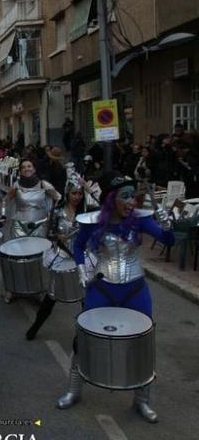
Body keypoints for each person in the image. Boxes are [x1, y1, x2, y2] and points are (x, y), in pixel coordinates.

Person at [56, 174, 176, 423]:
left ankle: (142, 401)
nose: (131, 201)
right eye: (125, 196)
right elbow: (78, 246)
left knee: (143, 342)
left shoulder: (139, 221)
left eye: (133, 195)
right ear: (111, 199)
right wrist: (80, 271)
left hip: (135, 290)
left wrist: (165, 222)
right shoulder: (92, 222)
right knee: (83, 339)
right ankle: (74, 390)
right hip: (102, 289)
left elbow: (168, 241)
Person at [25, 173, 89, 341]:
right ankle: (35, 327)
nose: (77, 197)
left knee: (85, 297)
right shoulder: (58, 211)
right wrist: (57, 237)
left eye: (80, 193)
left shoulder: (86, 213)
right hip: (60, 257)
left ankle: (86, 333)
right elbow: (50, 233)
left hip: (81, 258)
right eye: (74, 193)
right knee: (51, 296)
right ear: (67, 193)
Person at [7, 159, 61, 239]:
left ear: (34, 169)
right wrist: (3, 215)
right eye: (23, 167)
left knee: (38, 250)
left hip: (39, 225)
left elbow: (58, 198)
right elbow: (5, 200)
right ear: (20, 171)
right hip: (19, 226)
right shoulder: (16, 186)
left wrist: (51, 214)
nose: (26, 169)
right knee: (20, 250)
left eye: (29, 166)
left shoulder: (44, 185)